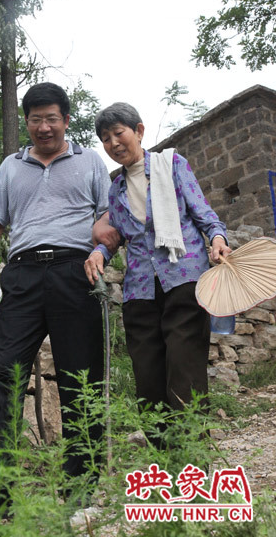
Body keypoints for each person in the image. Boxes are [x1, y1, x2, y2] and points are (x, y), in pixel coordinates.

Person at [0, 82, 119, 494]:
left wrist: (103, 252)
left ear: (67, 121)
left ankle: (82, 487)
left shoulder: (89, 162)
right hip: (22, 275)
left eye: (52, 119)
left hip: (76, 270)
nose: (44, 127)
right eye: (36, 120)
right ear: (27, 122)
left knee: (80, 377)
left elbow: (110, 215)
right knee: (7, 374)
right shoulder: (10, 167)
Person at [84, 102, 231, 441]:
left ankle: (191, 468)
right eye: (105, 139)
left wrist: (218, 238)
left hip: (183, 278)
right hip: (140, 292)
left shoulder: (172, 164)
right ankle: (162, 468)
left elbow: (203, 212)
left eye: (118, 133)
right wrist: (98, 252)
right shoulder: (115, 190)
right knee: (148, 383)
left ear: (138, 130)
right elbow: (115, 236)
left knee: (185, 373)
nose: (113, 143)